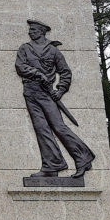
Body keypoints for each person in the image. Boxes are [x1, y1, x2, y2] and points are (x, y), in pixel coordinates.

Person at [15, 19, 95, 178]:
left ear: (42, 32)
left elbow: (65, 72)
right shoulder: (25, 48)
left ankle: (83, 158)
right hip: (30, 91)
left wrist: (60, 90)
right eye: (30, 30)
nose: (30, 32)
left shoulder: (53, 51)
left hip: (47, 93)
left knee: (59, 127)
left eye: (34, 30)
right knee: (41, 129)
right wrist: (38, 74)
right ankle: (52, 165)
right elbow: (20, 66)